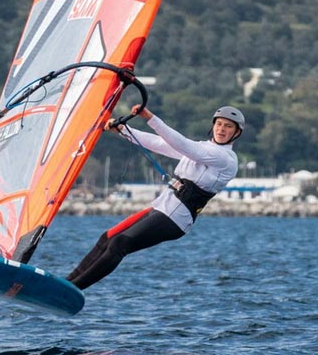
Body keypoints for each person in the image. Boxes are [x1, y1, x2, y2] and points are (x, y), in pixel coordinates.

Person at [65, 104, 243, 290]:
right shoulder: (203, 147)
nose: (221, 129)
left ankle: (73, 289)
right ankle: (66, 283)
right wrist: (124, 130)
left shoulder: (225, 158)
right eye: (219, 124)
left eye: (228, 126)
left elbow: (183, 144)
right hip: (162, 207)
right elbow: (161, 144)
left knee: (119, 243)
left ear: (236, 133)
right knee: (107, 237)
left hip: (176, 218)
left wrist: (150, 117)